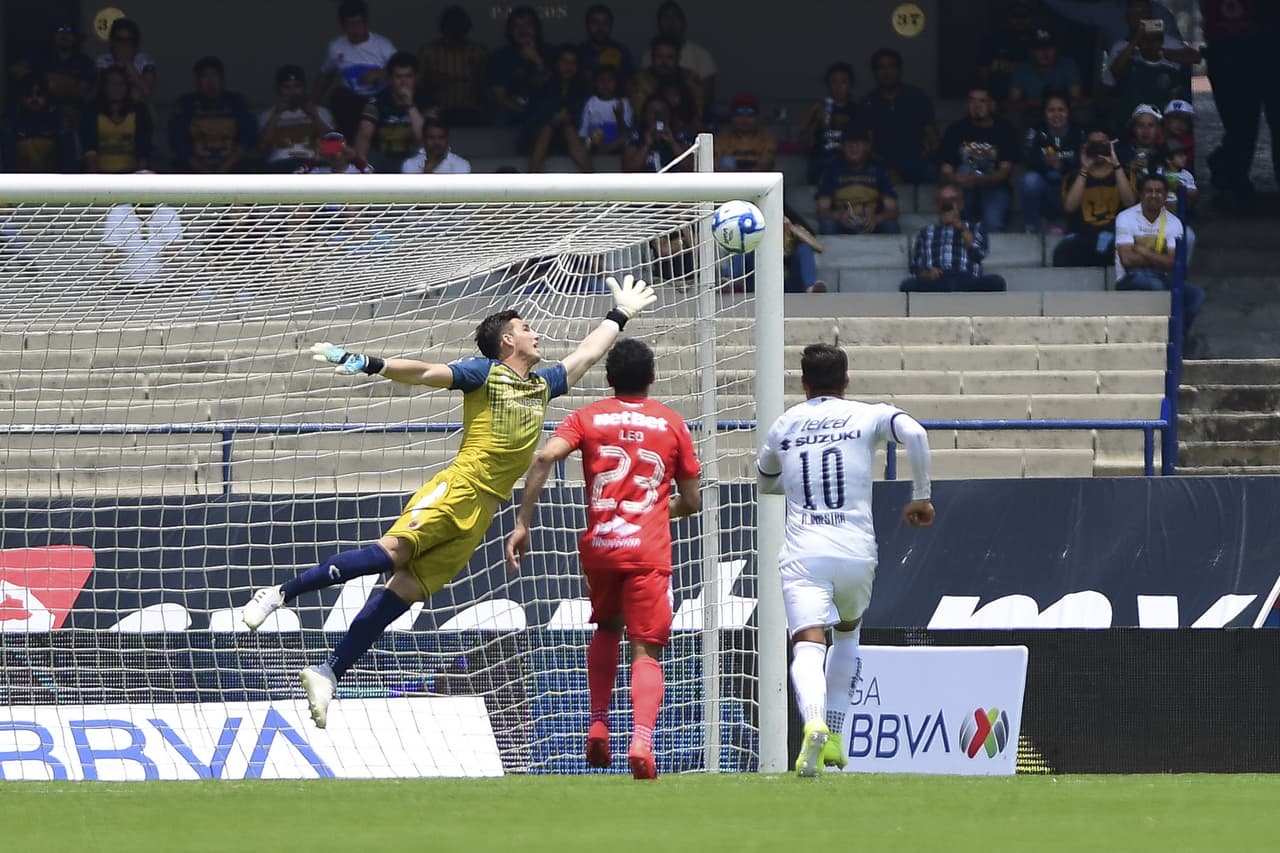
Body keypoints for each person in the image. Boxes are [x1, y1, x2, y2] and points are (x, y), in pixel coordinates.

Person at [241, 275, 658, 729]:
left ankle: (329, 672)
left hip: (484, 510)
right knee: (393, 551)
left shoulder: (542, 386)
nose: (537, 334)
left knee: (407, 591)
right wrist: (368, 363)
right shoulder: (486, 374)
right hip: (457, 487)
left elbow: (588, 354)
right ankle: (280, 594)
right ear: (507, 339)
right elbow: (423, 372)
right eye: (527, 327)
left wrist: (619, 315)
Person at [505, 338, 701, 780]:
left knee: (608, 627)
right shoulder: (671, 423)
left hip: (601, 548)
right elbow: (691, 501)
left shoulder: (587, 417)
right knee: (646, 647)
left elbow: (544, 457)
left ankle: (597, 723)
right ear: (652, 378)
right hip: (647, 549)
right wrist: (654, 506)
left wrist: (523, 522)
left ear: (609, 379)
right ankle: (642, 741)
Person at [756, 343, 934, 777]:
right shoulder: (867, 413)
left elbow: (765, 481)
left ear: (802, 384)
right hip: (856, 550)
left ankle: (813, 721)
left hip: (804, 552)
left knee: (807, 643)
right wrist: (922, 497)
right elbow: (917, 434)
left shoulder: (785, 424)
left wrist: (798, 484)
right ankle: (835, 732)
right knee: (847, 635)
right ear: (846, 381)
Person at [1199, 0, 1280, 201]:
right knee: (1241, 126)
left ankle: (1230, 175)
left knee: (1242, 127)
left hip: (1238, 52)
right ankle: (1231, 175)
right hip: (1233, 53)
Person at [1114, 170, 1204, 335]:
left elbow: (1172, 263)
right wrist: (1158, 258)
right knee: (1158, 286)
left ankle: (1177, 338)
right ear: (1140, 194)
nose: (1154, 195)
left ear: (1165, 196)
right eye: (1149, 191)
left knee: (1196, 295)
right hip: (1129, 278)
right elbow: (1126, 259)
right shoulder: (1125, 217)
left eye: (1159, 191)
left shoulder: (1174, 223)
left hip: (1161, 277)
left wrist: (1143, 252)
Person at [938, 84, 1019, 232]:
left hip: (995, 188)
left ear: (992, 105)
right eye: (972, 101)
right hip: (964, 189)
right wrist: (956, 178)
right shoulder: (955, 130)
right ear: (966, 105)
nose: (977, 105)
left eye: (982, 101)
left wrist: (978, 179)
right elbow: (946, 170)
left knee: (993, 226)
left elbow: (1005, 172)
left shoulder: (1005, 130)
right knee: (962, 170)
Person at [1053, 129, 1137, 267]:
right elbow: (1069, 207)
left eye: (1102, 144)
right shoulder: (1073, 176)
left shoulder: (1124, 174)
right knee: (1062, 253)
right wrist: (1085, 168)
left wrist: (1116, 164)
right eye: (1094, 145)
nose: (1098, 149)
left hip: (1113, 236)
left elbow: (1129, 203)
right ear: (1085, 147)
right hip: (1082, 235)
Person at [900, 184, 1006, 292]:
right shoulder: (925, 232)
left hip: (966, 278)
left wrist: (959, 226)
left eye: (952, 200)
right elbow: (915, 268)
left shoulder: (975, 228)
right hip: (937, 280)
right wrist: (928, 273)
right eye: (943, 201)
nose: (948, 204)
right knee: (907, 285)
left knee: (997, 282)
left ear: (961, 204)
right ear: (937, 205)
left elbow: (979, 253)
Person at [314, 0, 397, 138]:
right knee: (338, 97)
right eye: (350, 24)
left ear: (365, 22)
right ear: (343, 25)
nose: (355, 29)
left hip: (378, 98)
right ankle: (342, 150)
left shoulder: (383, 45)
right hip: (350, 100)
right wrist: (313, 102)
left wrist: (380, 73)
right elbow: (325, 75)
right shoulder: (336, 46)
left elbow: (402, 70)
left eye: (359, 23)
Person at [859, 48, 939, 185]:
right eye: (881, 68)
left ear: (900, 70)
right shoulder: (867, 102)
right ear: (874, 72)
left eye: (891, 66)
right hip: (881, 163)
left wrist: (927, 154)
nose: (886, 72)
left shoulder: (917, 97)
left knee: (935, 173)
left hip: (916, 162)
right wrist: (887, 167)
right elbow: (866, 146)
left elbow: (933, 138)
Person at [169, 56, 257, 174]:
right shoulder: (186, 103)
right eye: (205, 77)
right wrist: (204, 171)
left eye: (215, 76)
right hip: (195, 170)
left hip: (233, 168)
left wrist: (223, 169)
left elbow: (247, 138)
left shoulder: (236, 102)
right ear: (197, 81)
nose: (210, 82)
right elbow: (179, 142)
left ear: (222, 79)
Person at [353, 51, 436, 172]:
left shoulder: (427, 101)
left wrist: (409, 105)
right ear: (390, 78)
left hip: (415, 159)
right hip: (382, 158)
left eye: (408, 76)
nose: (404, 82)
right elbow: (364, 136)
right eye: (398, 77)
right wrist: (362, 167)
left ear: (416, 77)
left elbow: (425, 138)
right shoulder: (377, 101)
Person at [815, 124, 900, 235]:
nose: (853, 148)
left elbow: (892, 210)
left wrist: (876, 218)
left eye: (858, 143)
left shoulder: (879, 170)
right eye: (849, 143)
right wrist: (840, 216)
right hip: (843, 223)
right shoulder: (832, 170)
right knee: (827, 225)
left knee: (891, 226)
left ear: (867, 146)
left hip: (871, 223)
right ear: (842, 146)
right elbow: (822, 210)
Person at [8, 21, 96, 128]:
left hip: (74, 115)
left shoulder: (84, 62)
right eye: (60, 31)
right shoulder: (42, 58)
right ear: (54, 36)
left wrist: (55, 82)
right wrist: (42, 81)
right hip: (43, 113)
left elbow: (82, 92)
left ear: (75, 38)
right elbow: (15, 69)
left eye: (68, 32)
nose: (64, 35)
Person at [1020, 91, 1083, 233]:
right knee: (1030, 180)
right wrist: (1046, 163)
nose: (1056, 115)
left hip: (1071, 188)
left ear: (1069, 112)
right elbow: (1028, 161)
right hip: (1045, 188)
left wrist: (1062, 166)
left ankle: (1077, 228)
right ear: (1044, 113)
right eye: (1051, 110)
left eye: (1061, 110)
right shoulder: (1035, 132)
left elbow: (1084, 163)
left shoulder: (1078, 132)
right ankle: (1031, 228)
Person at [416, 5, 489, 127]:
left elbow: (487, 86)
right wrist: (434, 81)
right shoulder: (428, 52)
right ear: (443, 28)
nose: (455, 31)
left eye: (459, 27)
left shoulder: (479, 52)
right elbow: (416, 85)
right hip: (438, 112)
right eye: (451, 27)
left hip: (471, 112)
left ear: (466, 28)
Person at [525, 44, 593, 173]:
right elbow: (534, 117)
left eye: (573, 62)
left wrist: (568, 119)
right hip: (538, 137)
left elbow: (583, 118)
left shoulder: (582, 89)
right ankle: (532, 177)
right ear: (556, 63)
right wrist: (554, 119)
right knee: (548, 128)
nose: (568, 66)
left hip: (570, 138)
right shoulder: (544, 85)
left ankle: (594, 180)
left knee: (569, 129)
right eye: (564, 61)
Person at [258, 65, 335, 172]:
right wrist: (276, 114)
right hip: (280, 165)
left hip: (314, 163)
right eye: (286, 87)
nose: (292, 92)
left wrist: (314, 116)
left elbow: (334, 148)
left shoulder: (321, 112)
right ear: (277, 90)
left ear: (304, 88)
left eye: (297, 87)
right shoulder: (268, 115)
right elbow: (262, 151)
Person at [487, 6, 554, 128]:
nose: (523, 30)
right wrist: (527, 111)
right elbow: (500, 97)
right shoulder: (500, 56)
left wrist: (538, 61)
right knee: (500, 114)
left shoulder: (549, 52)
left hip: (543, 109)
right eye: (517, 26)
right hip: (513, 109)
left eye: (528, 25)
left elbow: (556, 87)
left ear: (536, 29)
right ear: (510, 31)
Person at [80, 66, 153, 173]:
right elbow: (89, 148)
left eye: (121, 84)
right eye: (111, 84)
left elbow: (144, 149)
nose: (116, 88)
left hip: (131, 174)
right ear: (104, 87)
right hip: (100, 174)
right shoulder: (91, 112)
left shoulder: (139, 112)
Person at [1006, 28, 1084, 127]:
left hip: (1062, 110)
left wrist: (1053, 106)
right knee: (1013, 113)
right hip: (1032, 112)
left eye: (1049, 48)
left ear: (1057, 50)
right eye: (1039, 49)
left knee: (1082, 112)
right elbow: (1014, 99)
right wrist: (1045, 104)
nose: (1044, 53)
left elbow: (1076, 97)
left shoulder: (1067, 65)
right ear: (1031, 51)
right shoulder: (1022, 68)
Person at [1, 76, 77, 173]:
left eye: (39, 94)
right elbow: (8, 162)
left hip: (52, 181)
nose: (34, 98)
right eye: (29, 94)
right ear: (21, 97)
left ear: (46, 96)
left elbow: (68, 162)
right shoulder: (11, 120)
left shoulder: (58, 120)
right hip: (20, 181)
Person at [800, 62, 859, 185]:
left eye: (843, 82)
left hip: (849, 160)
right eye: (834, 82)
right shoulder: (818, 109)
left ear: (850, 85)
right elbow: (804, 143)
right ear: (828, 85)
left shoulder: (857, 110)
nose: (838, 87)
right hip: (822, 161)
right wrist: (817, 122)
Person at [622, 95, 693, 173]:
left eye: (662, 110)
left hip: (675, 184)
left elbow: (691, 167)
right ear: (645, 115)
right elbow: (628, 170)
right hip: (644, 184)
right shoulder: (635, 136)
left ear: (670, 114)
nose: (658, 115)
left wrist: (673, 142)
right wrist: (646, 145)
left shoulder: (680, 135)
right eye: (652, 111)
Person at [94, 17, 156, 106]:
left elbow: (147, 92)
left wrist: (128, 65)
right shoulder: (103, 61)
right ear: (112, 42)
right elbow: (101, 92)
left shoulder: (145, 60)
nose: (124, 45)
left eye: (129, 40)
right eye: (119, 40)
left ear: (135, 43)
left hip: (137, 110)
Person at [578, 66, 632, 157]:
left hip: (616, 146)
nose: (605, 84)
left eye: (609, 80)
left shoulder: (623, 102)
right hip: (594, 144)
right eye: (601, 80)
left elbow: (626, 133)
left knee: (625, 137)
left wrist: (619, 117)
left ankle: (602, 152)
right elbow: (583, 131)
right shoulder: (590, 102)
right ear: (595, 83)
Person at [714, 94, 777, 173]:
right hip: (729, 181)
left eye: (750, 114)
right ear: (732, 117)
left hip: (758, 181)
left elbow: (767, 163)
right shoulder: (721, 139)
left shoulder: (767, 139)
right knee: (727, 161)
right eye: (739, 113)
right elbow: (716, 164)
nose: (744, 119)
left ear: (757, 117)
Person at [577, 4, 634, 84]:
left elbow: (630, 81)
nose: (600, 28)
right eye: (594, 22)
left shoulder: (622, 51)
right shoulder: (578, 52)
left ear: (611, 25)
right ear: (587, 25)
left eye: (605, 23)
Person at [400, 119, 472, 173]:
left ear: (447, 139)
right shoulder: (409, 165)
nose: (436, 142)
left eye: (441, 138)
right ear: (424, 140)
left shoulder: (462, 165)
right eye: (431, 138)